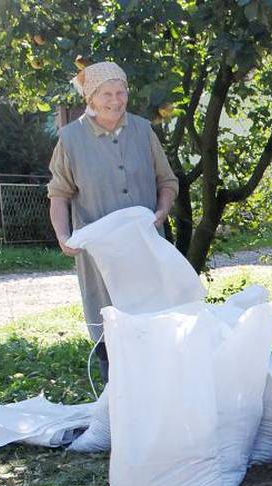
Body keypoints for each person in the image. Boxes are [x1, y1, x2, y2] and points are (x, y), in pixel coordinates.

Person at [47, 61, 179, 381]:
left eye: (121, 92)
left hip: (145, 247)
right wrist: (64, 237)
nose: (116, 100)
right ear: (91, 97)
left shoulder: (142, 129)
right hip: (101, 255)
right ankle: (117, 407)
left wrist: (161, 212)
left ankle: (159, 398)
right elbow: (59, 194)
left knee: (153, 324)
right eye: (107, 93)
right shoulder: (71, 138)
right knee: (111, 328)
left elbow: (167, 181)